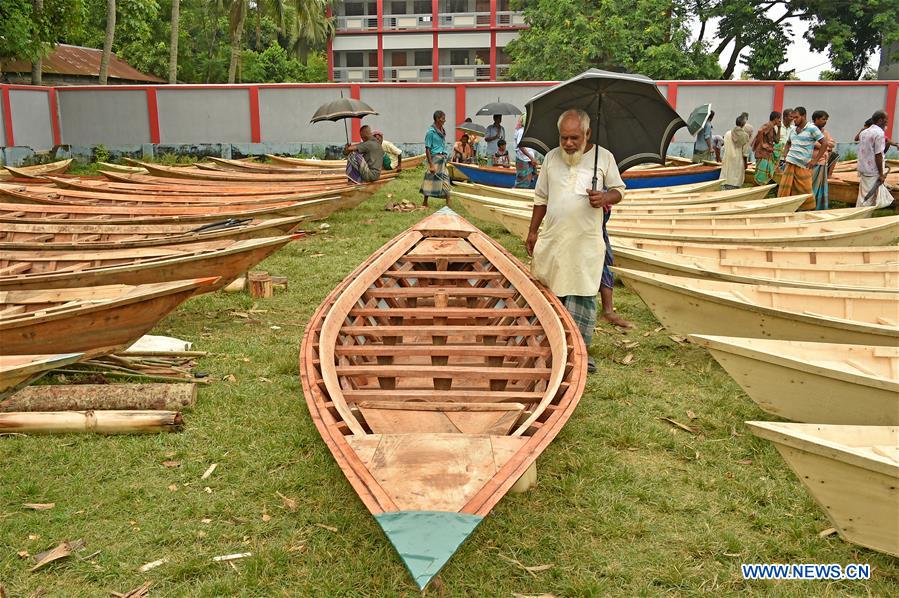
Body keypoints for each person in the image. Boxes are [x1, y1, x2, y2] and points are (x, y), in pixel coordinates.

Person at [525, 108, 627, 373]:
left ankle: (580, 352)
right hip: (555, 238)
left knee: (582, 293)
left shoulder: (603, 157)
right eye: (564, 138)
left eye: (574, 138)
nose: (568, 144)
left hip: (585, 242)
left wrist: (605, 197)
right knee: (552, 291)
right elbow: (541, 197)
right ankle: (552, 347)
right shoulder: (551, 158)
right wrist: (533, 231)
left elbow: (619, 190)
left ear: (587, 133)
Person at [777, 106, 823, 208]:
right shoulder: (793, 129)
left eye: (796, 117)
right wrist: (785, 154)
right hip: (790, 163)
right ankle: (786, 208)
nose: (794, 120)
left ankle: (807, 210)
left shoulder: (812, 128)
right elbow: (788, 143)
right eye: (793, 118)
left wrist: (815, 160)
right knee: (786, 189)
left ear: (804, 116)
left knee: (806, 190)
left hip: (803, 165)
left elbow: (824, 144)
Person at [856, 110, 892, 208]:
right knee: (867, 199)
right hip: (873, 170)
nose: (887, 122)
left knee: (864, 195)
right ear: (880, 120)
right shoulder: (879, 133)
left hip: (863, 168)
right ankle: (861, 215)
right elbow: (878, 155)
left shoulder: (864, 132)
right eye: (886, 120)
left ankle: (861, 213)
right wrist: (881, 174)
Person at [420, 110, 451, 207]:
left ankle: (448, 203)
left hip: (443, 158)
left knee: (446, 179)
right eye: (443, 118)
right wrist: (431, 165)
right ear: (437, 119)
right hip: (434, 159)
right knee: (429, 180)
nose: (444, 120)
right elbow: (427, 149)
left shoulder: (442, 131)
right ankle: (425, 202)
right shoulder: (431, 132)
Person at [810, 110, 836, 210]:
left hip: (823, 162)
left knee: (820, 186)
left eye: (826, 120)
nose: (825, 121)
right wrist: (824, 145)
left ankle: (818, 207)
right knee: (812, 185)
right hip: (813, 162)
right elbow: (812, 143)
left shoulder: (825, 132)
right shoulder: (810, 130)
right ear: (816, 119)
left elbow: (832, 143)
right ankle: (809, 205)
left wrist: (825, 145)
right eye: (823, 119)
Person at [720, 114, 750, 189]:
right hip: (738, 160)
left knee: (727, 176)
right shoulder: (745, 136)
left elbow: (724, 147)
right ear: (744, 124)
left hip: (727, 158)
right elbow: (745, 153)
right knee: (736, 179)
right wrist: (745, 164)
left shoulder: (727, 133)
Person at [752, 111, 781, 185]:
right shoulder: (769, 125)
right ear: (775, 118)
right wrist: (762, 144)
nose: (780, 120)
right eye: (779, 118)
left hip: (767, 155)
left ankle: (759, 189)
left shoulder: (773, 127)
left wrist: (779, 128)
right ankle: (755, 189)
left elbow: (777, 141)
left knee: (763, 175)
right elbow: (760, 131)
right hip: (762, 154)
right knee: (760, 175)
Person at [515, 114, 538, 188]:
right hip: (523, 160)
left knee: (528, 180)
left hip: (528, 160)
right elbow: (521, 146)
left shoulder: (526, 131)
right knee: (522, 182)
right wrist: (531, 158)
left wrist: (532, 158)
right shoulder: (521, 132)